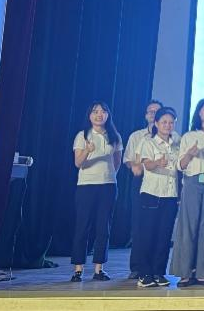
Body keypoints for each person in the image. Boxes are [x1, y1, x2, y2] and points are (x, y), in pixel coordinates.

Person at [171, 98, 204, 286]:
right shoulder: (189, 136)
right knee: (188, 227)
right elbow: (180, 165)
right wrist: (190, 154)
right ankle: (184, 272)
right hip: (193, 182)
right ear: (199, 112)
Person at [70, 101, 123, 282]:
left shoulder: (114, 136)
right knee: (82, 226)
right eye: (95, 111)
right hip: (86, 185)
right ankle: (78, 269)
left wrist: (109, 175)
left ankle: (99, 269)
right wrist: (87, 150)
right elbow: (78, 163)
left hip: (108, 185)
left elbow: (117, 161)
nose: (99, 114)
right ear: (89, 115)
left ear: (108, 115)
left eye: (103, 111)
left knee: (103, 227)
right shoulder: (82, 135)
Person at [134, 106, 181, 288]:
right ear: (156, 123)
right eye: (164, 122)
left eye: (171, 122)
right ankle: (144, 274)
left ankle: (159, 272)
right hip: (151, 193)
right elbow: (146, 164)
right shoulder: (148, 142)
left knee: (164, 235)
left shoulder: (177, 143)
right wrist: (157, 162)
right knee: (148, 234)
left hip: (170, 194)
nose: (168, 125)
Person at [122, 98, 162, 279]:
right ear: (146, 115)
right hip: (141, 180)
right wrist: (134, 166)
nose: (153, 114)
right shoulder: (136, 136)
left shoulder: (172, 136)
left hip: (162, 182)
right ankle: (137, 266)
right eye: (150, 111)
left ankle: (155, 267)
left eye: (157, 111)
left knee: (159, 225)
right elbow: (128, 159)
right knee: (139, 223)